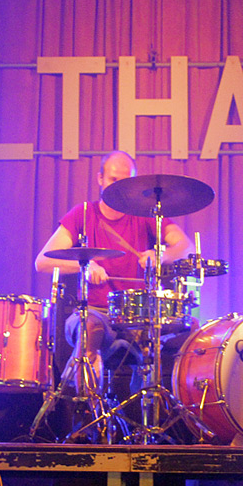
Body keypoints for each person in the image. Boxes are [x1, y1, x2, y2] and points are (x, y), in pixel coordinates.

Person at [35, 151, 194, 393]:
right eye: (112, 179)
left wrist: (160, 256)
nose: (118, 186)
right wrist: (85, 265)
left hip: (136, 315)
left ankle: (147, 406)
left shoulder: (145, 215)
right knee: (89, 329)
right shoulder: (84, 213)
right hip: (95, 312)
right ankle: (87, 408)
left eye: (125, 181)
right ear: (100, 179)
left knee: (187, 329)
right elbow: (43, 261)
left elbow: (185, 247)